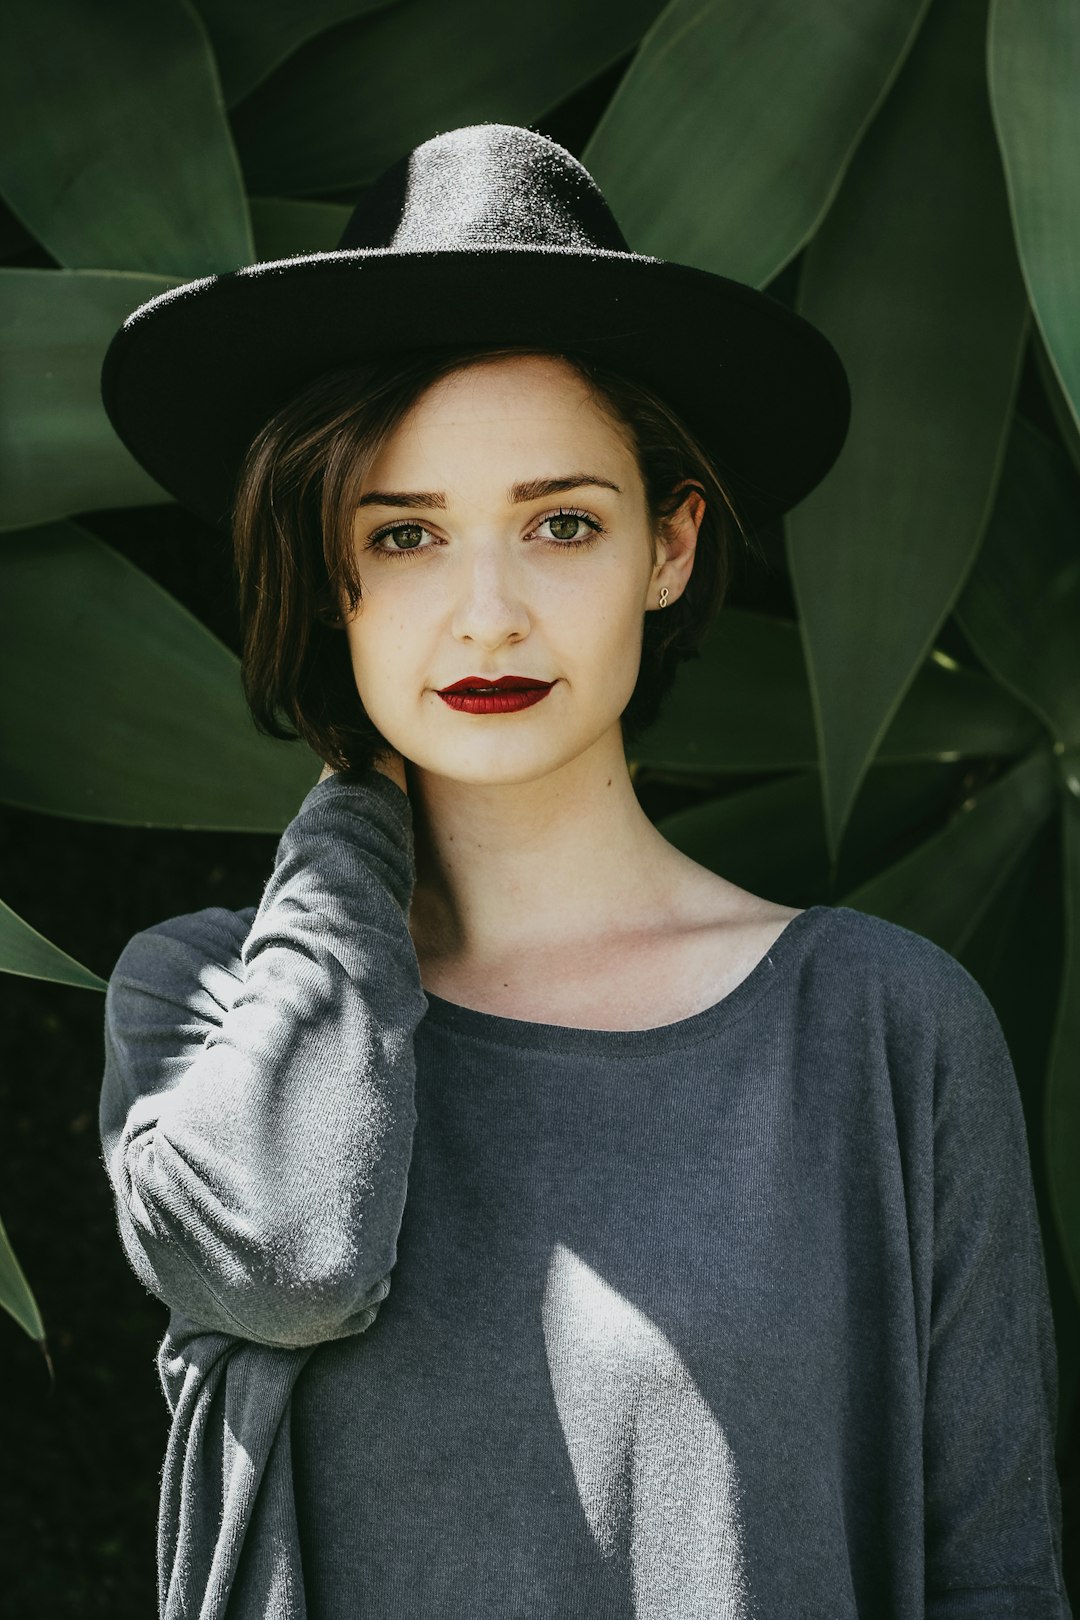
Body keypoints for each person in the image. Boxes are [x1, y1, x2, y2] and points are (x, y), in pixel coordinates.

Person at [97, 124, 1071, 1620]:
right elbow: (293, 1252)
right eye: (406, 536)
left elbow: (997, 1576)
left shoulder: (886, 1032)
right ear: (324, 569)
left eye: (561, 524)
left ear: (671, 549)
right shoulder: (207, 1006)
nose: (485, 616)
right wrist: (359, 802)